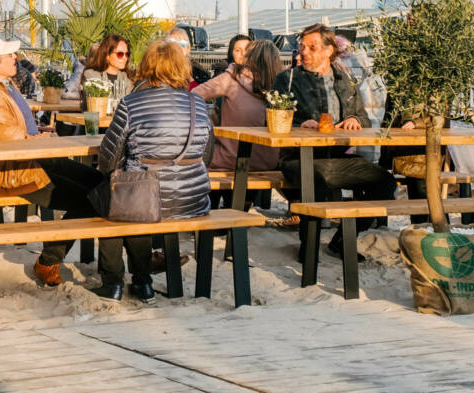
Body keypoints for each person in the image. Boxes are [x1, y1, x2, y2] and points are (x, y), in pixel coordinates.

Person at [0, 37, 101, 289]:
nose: (15, 58)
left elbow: (19, 128)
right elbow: (12, 142)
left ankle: (128, 257)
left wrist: (39, 133)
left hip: (37, 158)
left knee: (101, 183)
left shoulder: (3, 85)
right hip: (19, 172)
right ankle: (48, 261)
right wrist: (40, 138)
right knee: (90, 198)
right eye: (9, 56)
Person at [93, 40, 213, 301]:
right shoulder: (199, 104)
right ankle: (142, 283)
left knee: (114, 197)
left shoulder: (131, 104)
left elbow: (108, 160)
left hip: (149, 201)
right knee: (137, 198)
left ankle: (114, 282)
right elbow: (207, 155)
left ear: (147, 66)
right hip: (192, 200)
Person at [273, 23, 396, 257]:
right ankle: (308, 248)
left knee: (386, 183)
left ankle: (342, 241)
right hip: (298, 159)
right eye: (302, 47)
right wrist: (299, 125)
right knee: (315, 182)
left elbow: (365, 119)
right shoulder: (287, 80)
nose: (304, 52)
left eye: (312, 47)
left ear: (329, 51)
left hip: (337, 158)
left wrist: (353, 119)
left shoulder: (344, 80)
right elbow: (272, 119)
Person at [196, 39, 283, 173]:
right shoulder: (281, 84)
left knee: (198, 162)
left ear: (250, 57)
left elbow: (192, 96)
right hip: (269, 161)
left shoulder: (231, 77)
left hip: (231, 158)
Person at [81, 35, 133, 104]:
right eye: (120, 54)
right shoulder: (91, 75)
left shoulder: (127, 80)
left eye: (127, 54)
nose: (125, 58)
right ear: (107, 56)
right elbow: (100, 103)